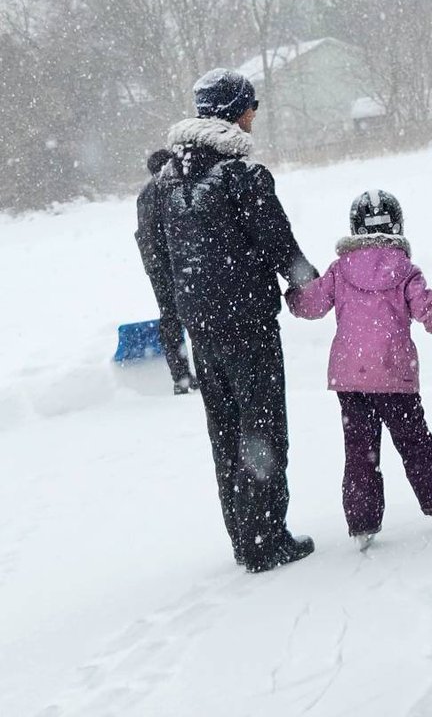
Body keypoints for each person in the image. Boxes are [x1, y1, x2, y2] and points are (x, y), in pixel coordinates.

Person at [144, 68, 318, 573]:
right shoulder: (243, 176)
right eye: (251, 105)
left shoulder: (164, 182)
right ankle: (266, 540)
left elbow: (156, 257)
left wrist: (178, 312)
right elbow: (280, 244)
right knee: (262, 430)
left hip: (202, 328)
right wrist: (312, 285)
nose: (254, 114)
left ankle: (244, 537)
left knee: (224, 432)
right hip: (249, 325)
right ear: (236, 112)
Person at [287, 189, 432, 549]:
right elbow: (427, 309)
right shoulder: (405, 270)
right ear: (397, 225)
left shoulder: (340, 269)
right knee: (415, 442)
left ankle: (362, 523)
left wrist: (294, 297)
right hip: (394, 375)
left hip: (351, 379)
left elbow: (313, 304)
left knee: (360, 451)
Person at [134, 148, 198, 394]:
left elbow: (145, 233)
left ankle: (180, 377)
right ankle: (205, 371)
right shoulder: (169, 187)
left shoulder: (144, 194)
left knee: (169, 316)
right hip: (175, 263)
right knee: (195, 314)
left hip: (155, 266)